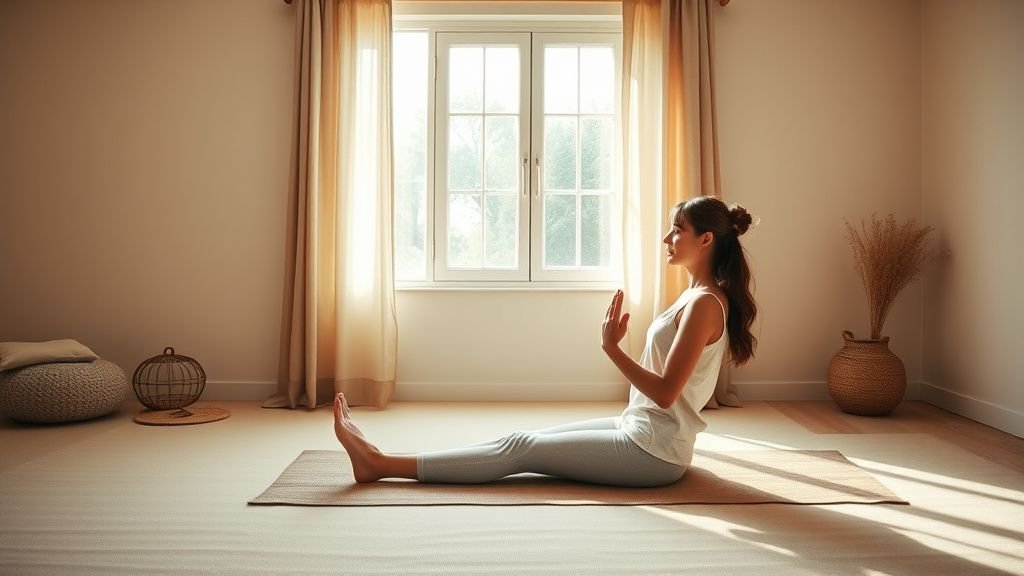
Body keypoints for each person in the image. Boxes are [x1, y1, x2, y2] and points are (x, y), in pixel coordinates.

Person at [332, 195, 758, 487]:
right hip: (640, 429)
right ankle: (390, 459)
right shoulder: (695, 296)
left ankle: (380, 464)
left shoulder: (704, 303)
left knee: (521, 450)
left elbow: (666, 393)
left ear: (706, 239)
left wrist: (612, 349)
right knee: (521, 437)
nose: (667, 238)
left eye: (677, 230)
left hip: (655, 452)